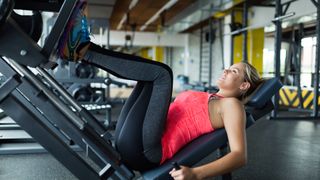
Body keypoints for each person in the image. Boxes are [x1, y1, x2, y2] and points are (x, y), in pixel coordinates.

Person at [57, 0, 263, 179]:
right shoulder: (213, 97)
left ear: (243, 85)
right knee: (147, 78)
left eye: (234, 71)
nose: (226, 70)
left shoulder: (232, 105)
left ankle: (83, 50)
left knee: (163, 74)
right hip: (133, 140)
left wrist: (196, 174)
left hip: (146, 150)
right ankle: (81, 49)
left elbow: (240, 156)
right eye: (228, 67)